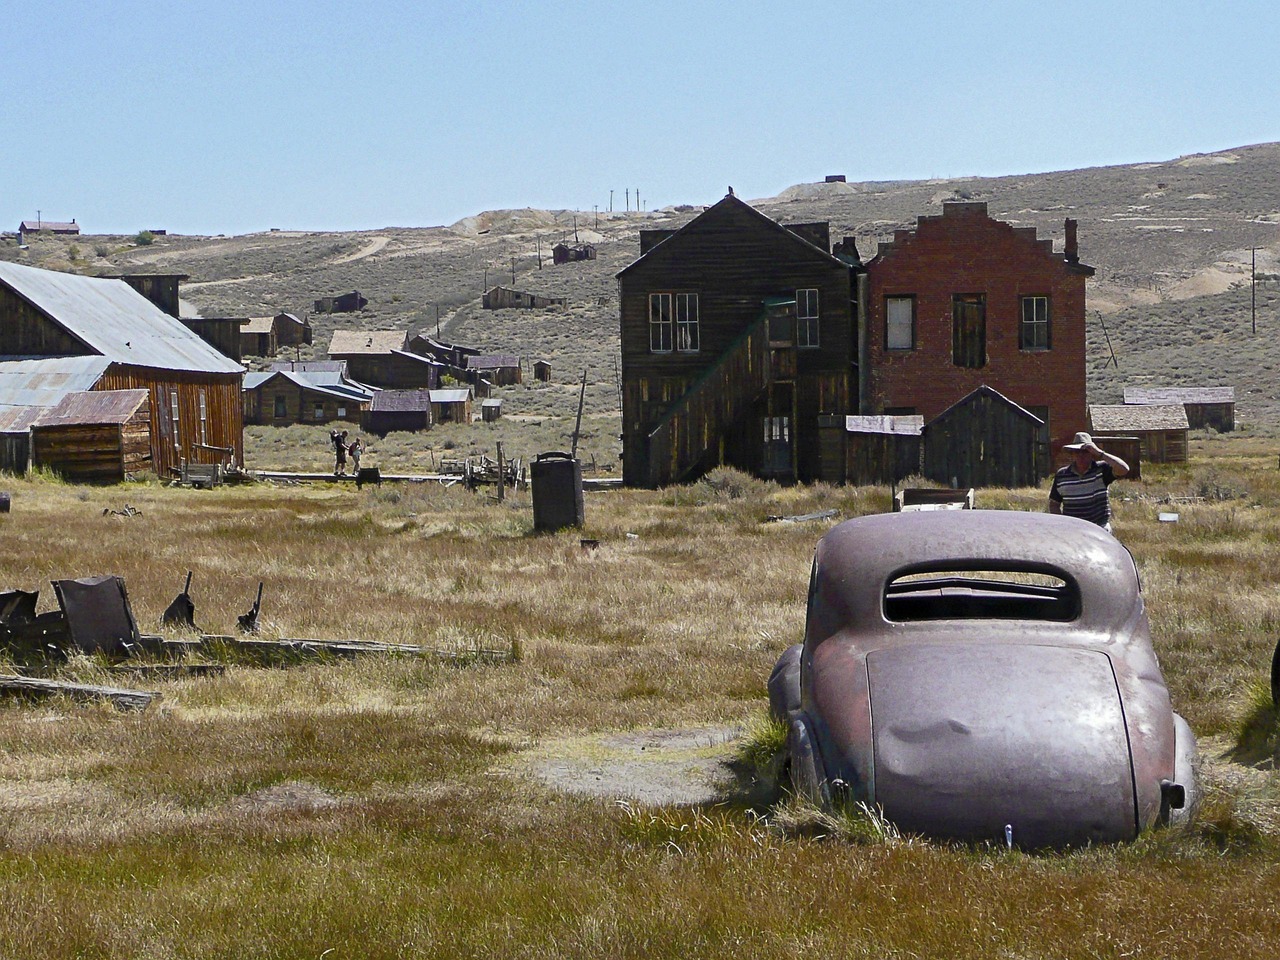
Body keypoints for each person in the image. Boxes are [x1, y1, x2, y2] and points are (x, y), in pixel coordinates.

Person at [1048, 431, 1130, 532]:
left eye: (1085, 452)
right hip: (1072, 528)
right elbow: (1054, 503)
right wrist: (1062, 523)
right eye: (1077, 452)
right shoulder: (1062, 475)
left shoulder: (1101, 469)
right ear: (1072, 454)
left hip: (1099, 526)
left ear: (1092, 454)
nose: (1081, 456)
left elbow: (1124, 469)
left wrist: (1101, 454)